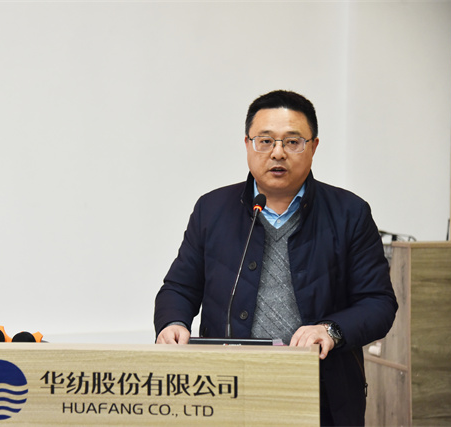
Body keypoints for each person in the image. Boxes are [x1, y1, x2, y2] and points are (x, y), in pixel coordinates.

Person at [153, 90, 398, 426]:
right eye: (265, 141)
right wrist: (173, 323)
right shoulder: (212, 209)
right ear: (247, 144)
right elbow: (179, 287)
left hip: (322, 392)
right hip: (227, 388)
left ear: (313, 146)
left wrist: (331, 330)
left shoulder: (349, 213)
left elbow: (378, 303)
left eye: (293, 142)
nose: (278, 152)